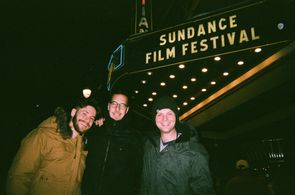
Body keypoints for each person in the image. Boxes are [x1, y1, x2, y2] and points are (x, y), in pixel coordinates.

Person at [6, 98, 101, 195]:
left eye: (92, 118)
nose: (87, 121)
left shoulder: (83, 146)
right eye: (84, 114)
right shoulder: (44, 135)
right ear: (73, 112)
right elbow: (19, 176)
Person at [140, 96, 215, 195]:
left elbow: (204, 190)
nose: (165, 119)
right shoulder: (149, 145)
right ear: (154, 118)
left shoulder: (194, 150)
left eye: (169, 114)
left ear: (176, 116)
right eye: (159, 114)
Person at [81, 91, 143, 195]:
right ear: (108, 106)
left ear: (127, 110)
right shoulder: (94, 129)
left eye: (122, 105)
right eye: (114, 104)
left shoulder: (135, 137)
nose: (117, 108)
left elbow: (137, 174)